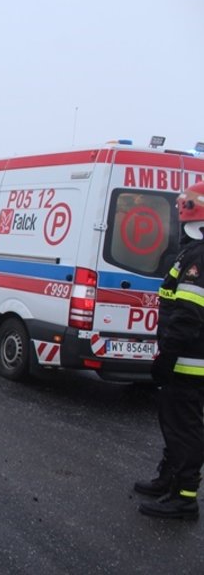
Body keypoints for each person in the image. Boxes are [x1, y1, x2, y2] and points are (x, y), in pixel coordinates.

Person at [135, 181, 204, 521]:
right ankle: (169, 479)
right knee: (173, 423)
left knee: (184, 428)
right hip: (185, 360)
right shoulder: (191, 253)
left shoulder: (198, 257)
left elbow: (188, 315)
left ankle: (184, 496)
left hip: (189, 363)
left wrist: (168, 356)